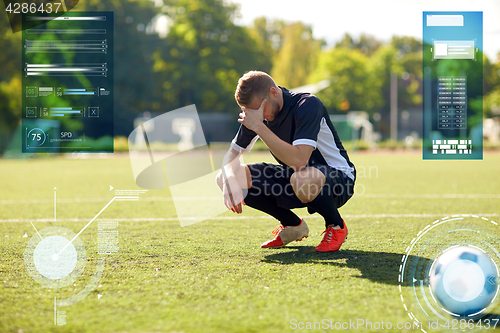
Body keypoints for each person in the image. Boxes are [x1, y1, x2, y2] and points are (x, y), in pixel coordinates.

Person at [216, 71, 355, 252]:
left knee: (301, 178)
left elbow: (299, 161)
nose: (260, 116)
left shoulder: (307, 105)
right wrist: (230, 180)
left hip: (338, 178)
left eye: (260, 110)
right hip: (296, 178)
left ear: (273, 93)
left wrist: (258, 126)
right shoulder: (258, 113)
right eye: (250, 112)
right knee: (225, 176)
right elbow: (231, 155)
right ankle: (292, 225)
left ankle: (336, 226)